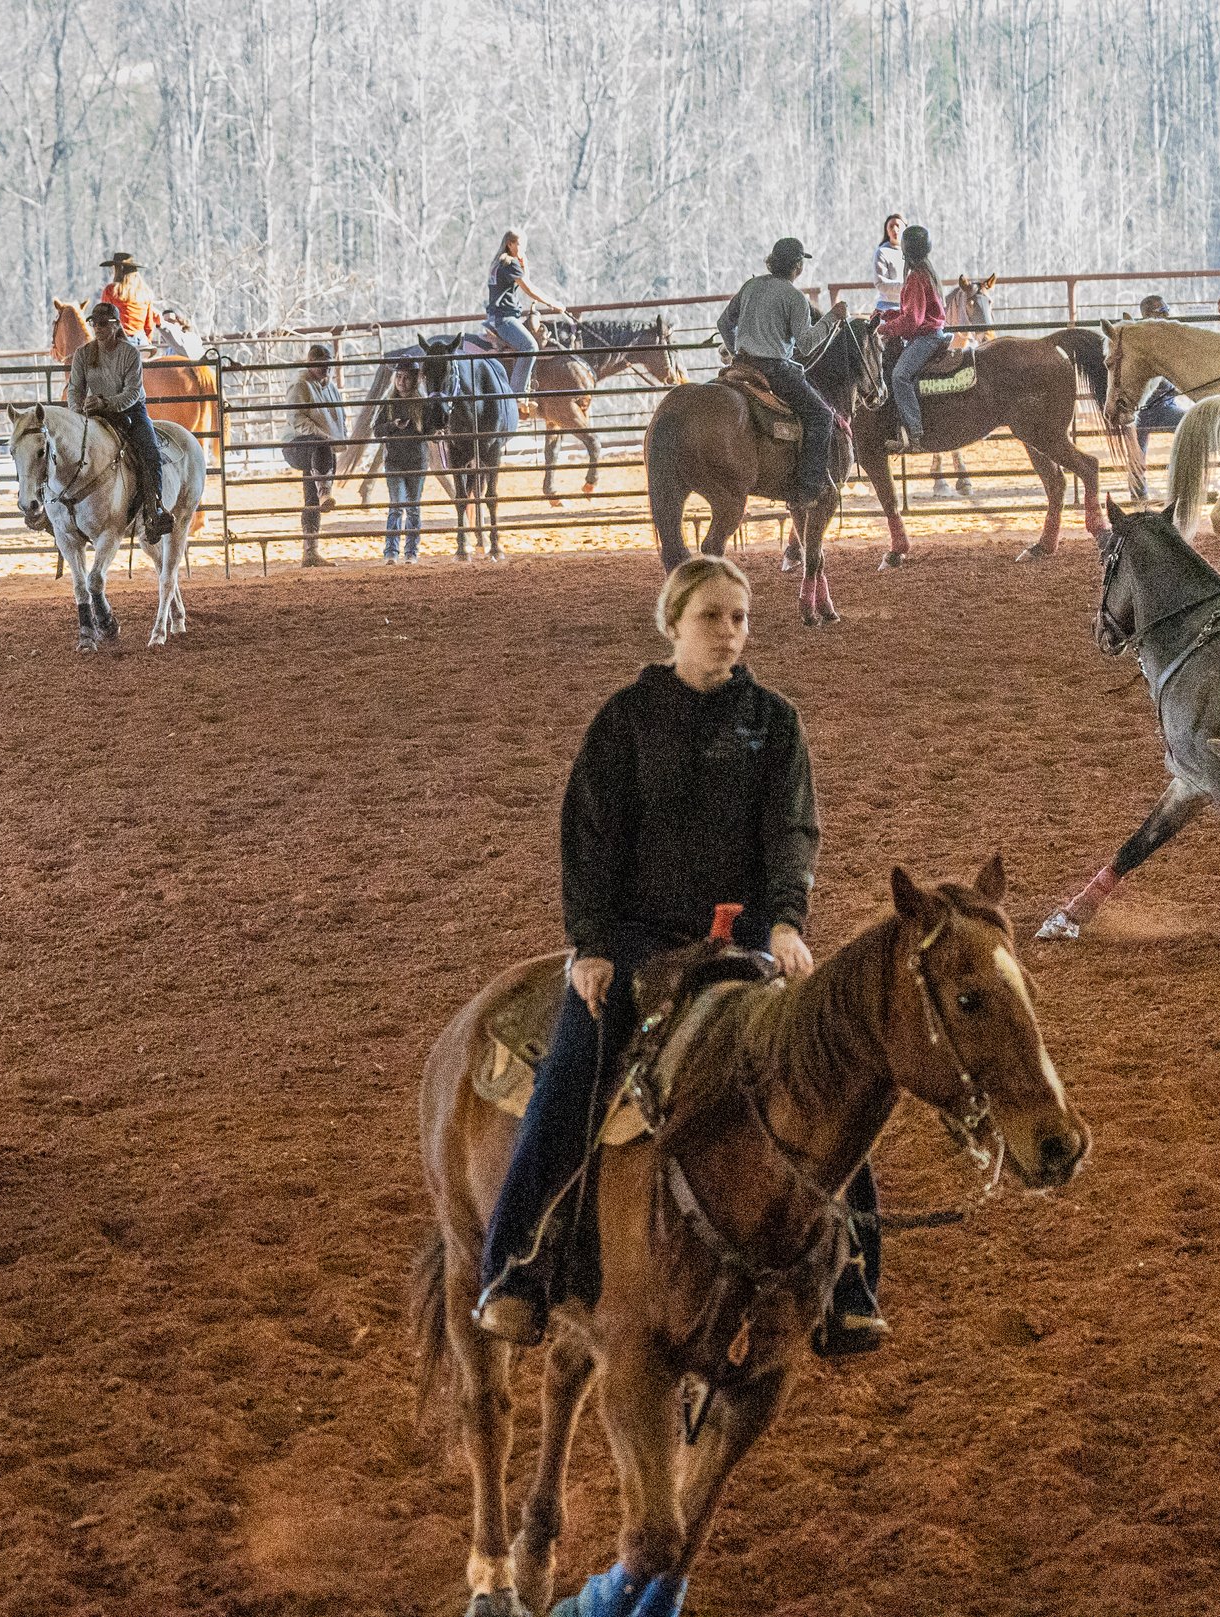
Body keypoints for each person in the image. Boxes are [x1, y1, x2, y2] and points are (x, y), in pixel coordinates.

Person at [470, 556, 884, 1356]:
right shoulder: (625, 721)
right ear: (673, 623)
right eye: (712, 617)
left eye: (740, 617)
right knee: (577, 1068)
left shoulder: (774, 721)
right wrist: (591, 946)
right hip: (639, 939)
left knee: (834, 1070)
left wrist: (789, 924)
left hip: (743, 939)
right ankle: (514, 1261)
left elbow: (790, 836)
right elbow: (589, 839)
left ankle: (853, 1281)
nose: (729, 632)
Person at [713, 237, 847, 507]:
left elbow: (723, 322)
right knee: (820, 415)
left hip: (742, 365)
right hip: (774, 369)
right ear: (797, 266)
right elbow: (807, 344)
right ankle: (807, 489)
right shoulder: (794, 297)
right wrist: (832, 317)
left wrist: (736, 351)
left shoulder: (751, 286)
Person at [66, 301, 173, 541]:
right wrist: (77, 412)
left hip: (131, 411)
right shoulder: (84, 354)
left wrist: (106, 403)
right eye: (95, 324)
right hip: (95, 411)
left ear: (115, 326)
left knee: (150, 452)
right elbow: (75, 388)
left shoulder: (129, 353)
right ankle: (60, 509)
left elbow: (133, 392)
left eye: (103, 324)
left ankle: (154, 507)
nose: (98, 328)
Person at [882, 224, 949, 454]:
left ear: (905, 251)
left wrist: (886, 329)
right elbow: (913, 312)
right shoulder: (928, 274)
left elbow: (912, 321)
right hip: (934, 333)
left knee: (899, 376)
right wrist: (887, 315)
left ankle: (914, 431)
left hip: (926, 338)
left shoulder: (914, 278)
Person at [282, 344, 345, 566]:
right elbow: (297, 420)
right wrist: (325, 438)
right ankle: (325, 490)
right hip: (297, 444)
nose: (325, 367)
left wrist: (331, 440)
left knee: (310, 497)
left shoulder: (328, 386)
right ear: (310, 362)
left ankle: (310, 551)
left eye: (328, 363)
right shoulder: (301, 385)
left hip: (322, 448)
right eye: (321, 363)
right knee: (319, 446)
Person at [485, 231, 565, 395]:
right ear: (510, 244)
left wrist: (524, 263)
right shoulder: (509, 264)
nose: (524, 248)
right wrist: (552, 303)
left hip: (496, 316)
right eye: (520, 245)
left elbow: (524, 280)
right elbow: (529, 289)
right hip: (505, 319)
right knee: (529, 346)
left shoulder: (499, 263)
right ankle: (516, 393)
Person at [374, 362, 433, 564]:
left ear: (414, 380)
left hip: (416, 460)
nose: (401, 381)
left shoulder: (423, 404)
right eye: (398, 377)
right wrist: (392, 426)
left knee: (413, 507)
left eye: (406, 377)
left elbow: (430, 429)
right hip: (395, 461)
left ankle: (410, 552)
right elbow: (377, 430)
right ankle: (392, 551)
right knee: (397, 506)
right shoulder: (389, 403)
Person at [1129, 296, 1191, 467]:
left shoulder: (1168, 337)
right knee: (1136, 449)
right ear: (1149, 315)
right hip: (1142, 408)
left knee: (1189, 425)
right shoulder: (1138, 340)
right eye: (1163, 311)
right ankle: (1138, 490)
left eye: (1167, 310)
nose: (1168, 315)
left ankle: (1178, 473)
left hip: (1164, 405)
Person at [95, 252, 164, 345]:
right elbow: (149, 324)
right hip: (142, 341)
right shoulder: (145, 293)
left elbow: (103, 319)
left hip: (120, 341)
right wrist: (148, 340)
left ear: (117, 270)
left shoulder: (111, 291)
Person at [869, 214, 907, 315]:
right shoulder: (882, 252)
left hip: (910, 305)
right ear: (887, 230)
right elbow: (880, 283)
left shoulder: (911, 253)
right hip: (888, 306)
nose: (895, 229)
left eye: (898, 226)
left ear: (905, 228)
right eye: (891, 226)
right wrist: (906, 286)